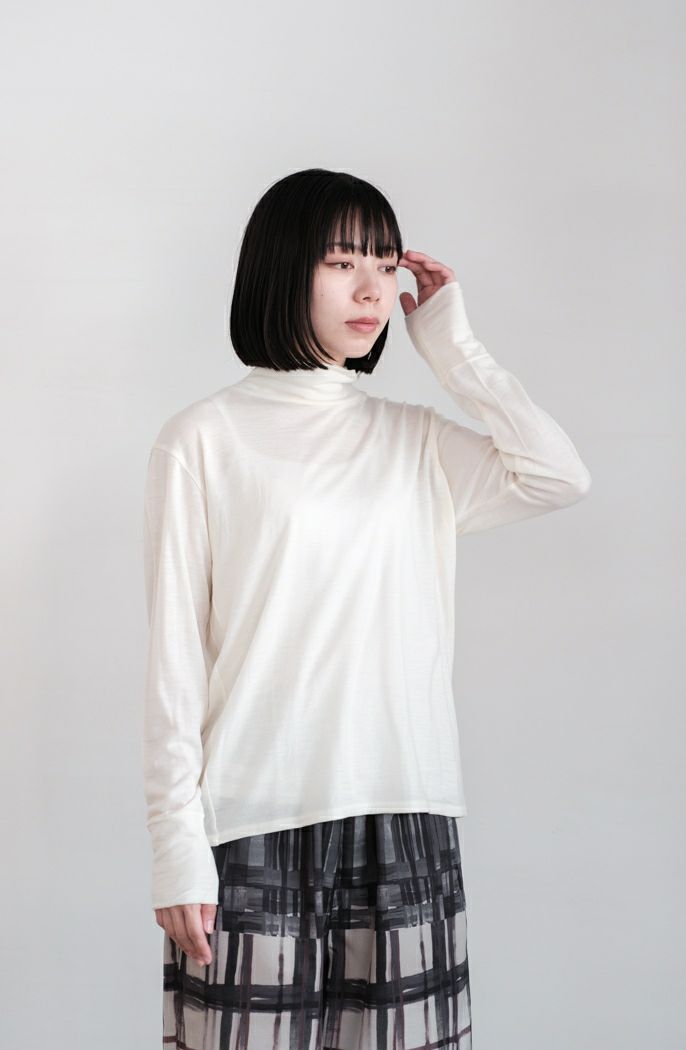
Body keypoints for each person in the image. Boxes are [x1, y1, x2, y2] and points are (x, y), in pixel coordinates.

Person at [141, 167, 591, 1050]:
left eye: (386, 264)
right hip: (252, 821)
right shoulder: (202, 440)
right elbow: (174, 662)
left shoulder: (413, 442)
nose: (372, 289)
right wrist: (174, 844)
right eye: (343, 261)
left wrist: (453, 347)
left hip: (402, 814)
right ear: (283, 267)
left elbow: (557, 476)